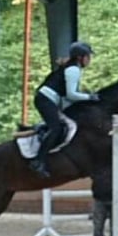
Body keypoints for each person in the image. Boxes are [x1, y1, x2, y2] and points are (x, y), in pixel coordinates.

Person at [29, 41, 98, 178]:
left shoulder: (72, 68)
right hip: (45, 99)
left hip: (48, 99)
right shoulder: (74, 70)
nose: (89, 60)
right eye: (88, 56)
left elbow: (69, 96)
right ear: (80, 57)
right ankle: (38, 161)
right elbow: (71, 95)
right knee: (56, 128)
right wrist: (90, 97)